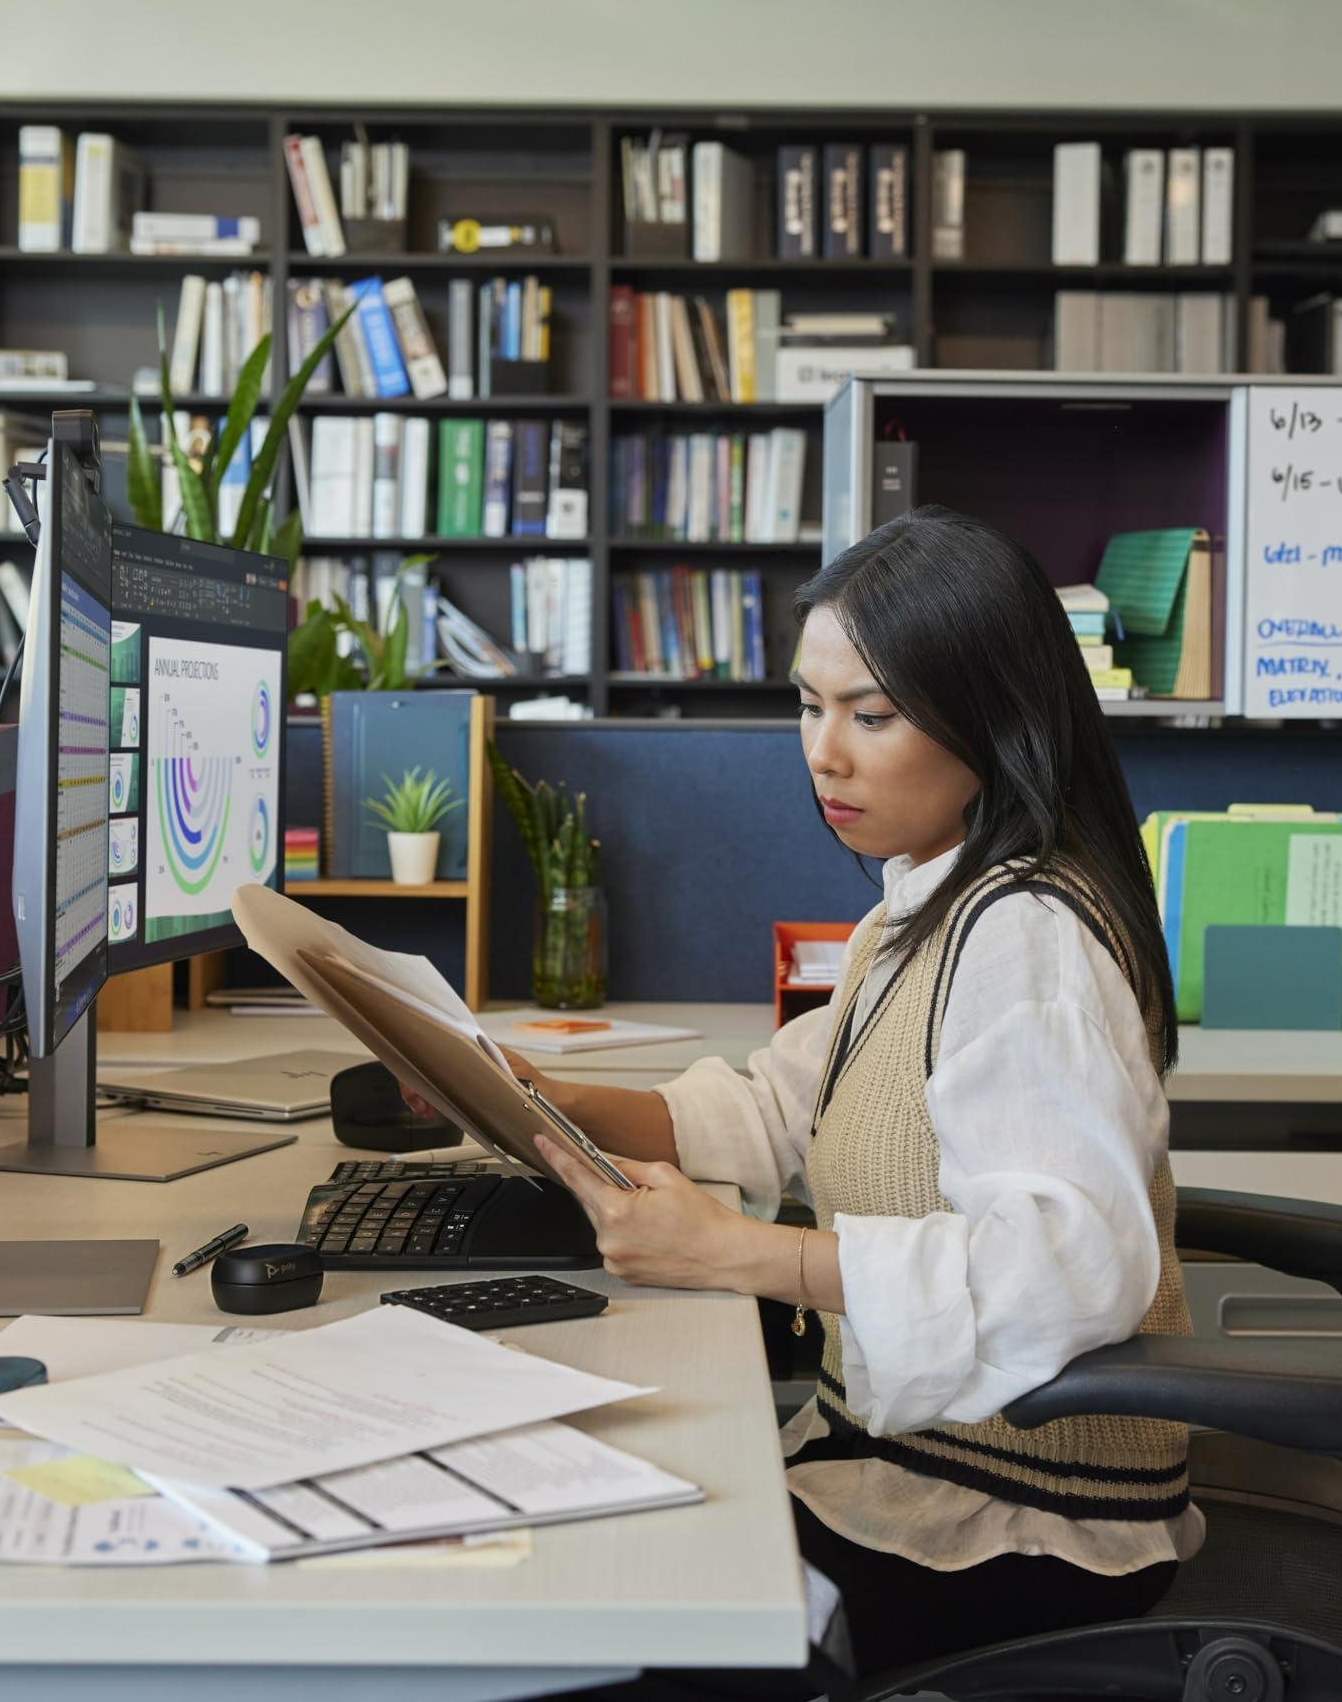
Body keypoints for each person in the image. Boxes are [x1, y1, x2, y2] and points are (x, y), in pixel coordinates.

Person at [450, 506, 1197, 1689]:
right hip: (898, 1463)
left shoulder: (1026, 936)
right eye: (809, 705)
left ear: (991, 717)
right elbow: (775, 1109)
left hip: (1018, 1520)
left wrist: (741, 1254)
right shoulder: (924, 906)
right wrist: (534, 1094)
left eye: (872, 714)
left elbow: (1064, 1267)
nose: (824, 752)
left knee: (587, 1622)